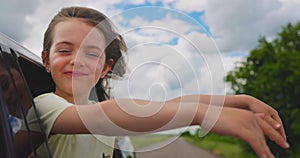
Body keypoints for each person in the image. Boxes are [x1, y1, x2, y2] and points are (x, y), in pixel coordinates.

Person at [18, 6, 289, 158]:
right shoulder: (44, 107)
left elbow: (170, 103)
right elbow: (107, 114)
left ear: (105, 68)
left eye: (91, 53)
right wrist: (200, 115)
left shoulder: (96, 109)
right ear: (46, 59)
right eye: (65, 50)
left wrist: (239, 101)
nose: (77, 60)